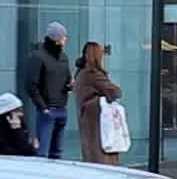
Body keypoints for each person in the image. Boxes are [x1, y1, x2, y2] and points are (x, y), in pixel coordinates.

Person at [72, 41, 123, 165]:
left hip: (87, 118)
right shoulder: (93, 74)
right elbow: (115, 92)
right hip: (98, 119)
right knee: (102, 152)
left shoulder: (81, 73)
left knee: (90, 151)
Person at [30, 23, 72, 160]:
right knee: (43, 152)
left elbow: (67, 79)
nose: (66, 39)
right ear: (57, 38)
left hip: (61, 108)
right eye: (64, 36)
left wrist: (69, 86)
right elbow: (31, 85)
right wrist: (43, 108)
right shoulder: (39, 57)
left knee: (57, 152)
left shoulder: (63, 57)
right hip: (47, 110)